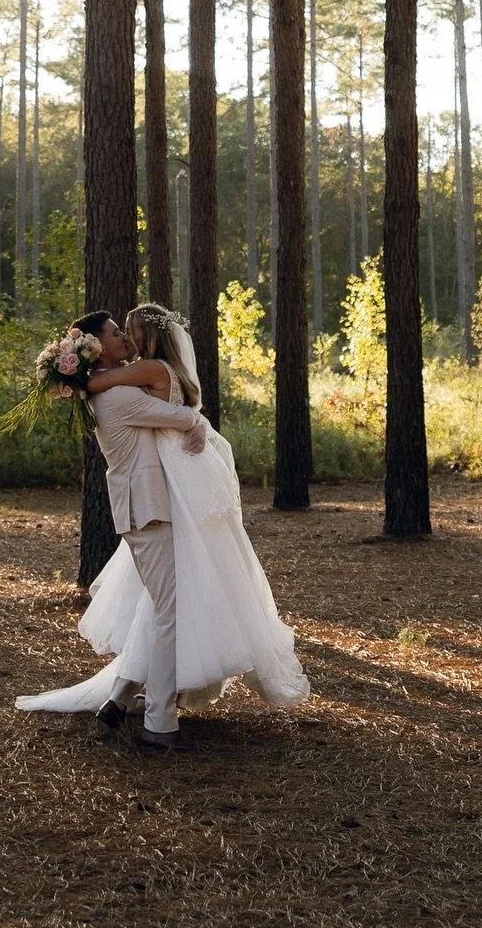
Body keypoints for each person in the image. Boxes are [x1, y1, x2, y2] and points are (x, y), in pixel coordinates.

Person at [16, 304, 309, 748]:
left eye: (123, 331)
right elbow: (182, 416)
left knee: (158, 607)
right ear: (95, 348)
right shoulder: (120, 395)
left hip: (156, 509)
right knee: (169, 610)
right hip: (148, 512)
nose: (123, 340)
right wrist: (193, 419)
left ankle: (116, 701)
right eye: (116, 334)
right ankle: (159, 721)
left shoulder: (121, 387)